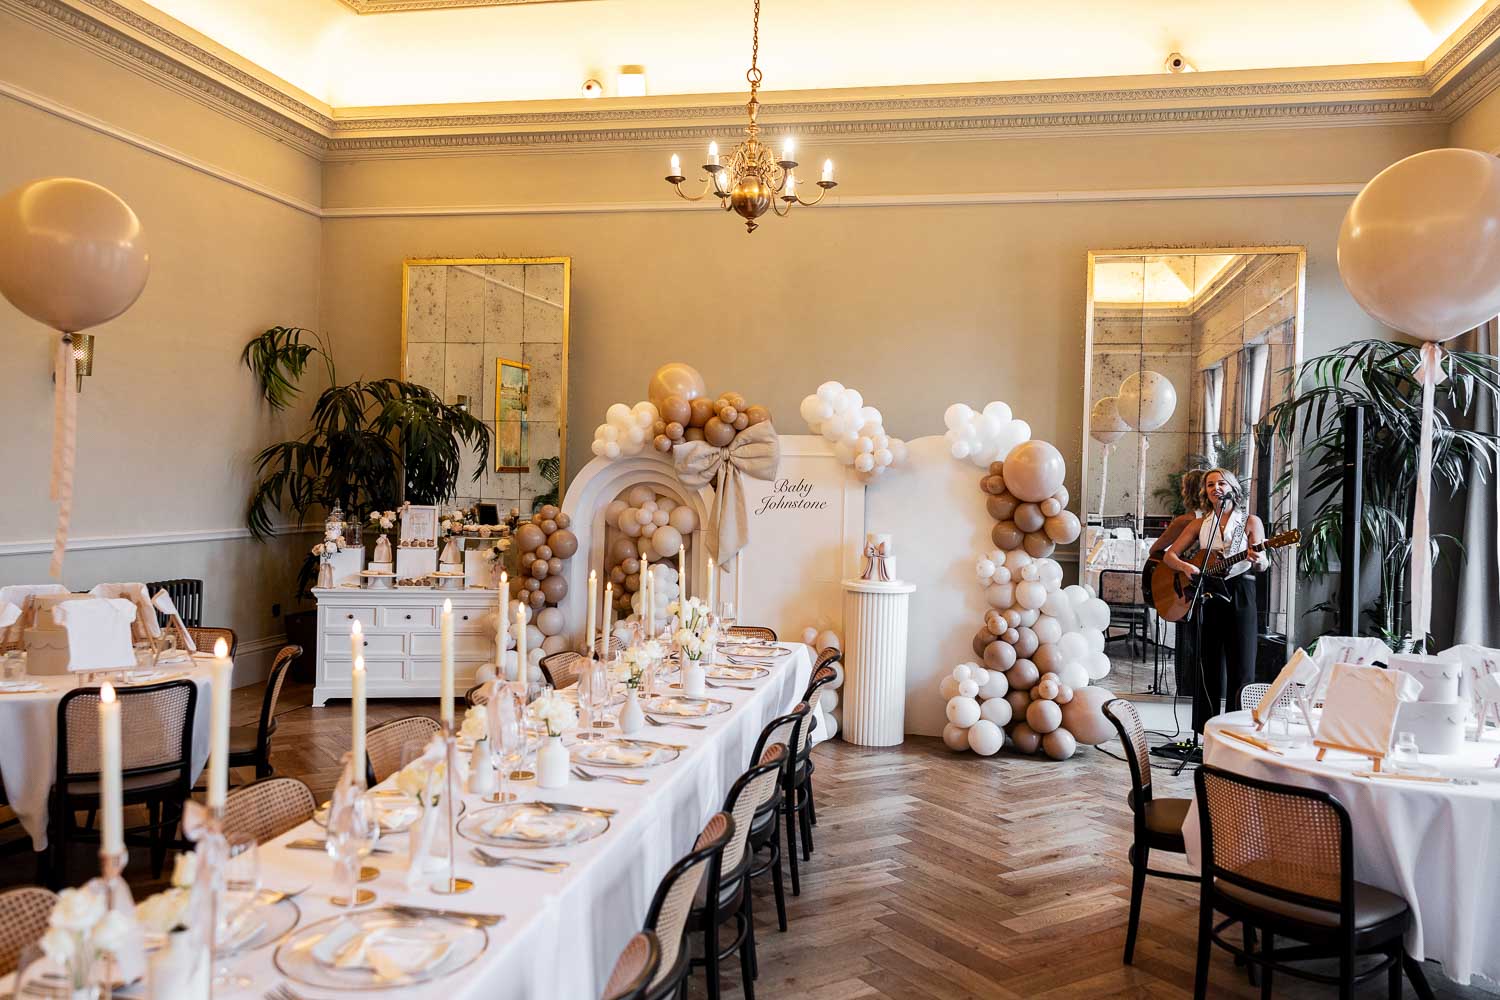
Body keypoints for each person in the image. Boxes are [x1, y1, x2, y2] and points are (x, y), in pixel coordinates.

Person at [1162, 468, 1268, 732]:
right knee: (1207, 664)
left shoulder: (1250, 521)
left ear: (1232, 488)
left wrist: (1259, 559)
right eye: (1210, 485)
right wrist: (1186, 568)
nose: (1215, 488)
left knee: (1241, 665)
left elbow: (1263, 563)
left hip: (1241, 590)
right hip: (1207, 592)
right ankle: (1205, 731)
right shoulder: (1200, 524)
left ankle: (1237, 730)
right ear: (1205, 492)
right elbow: (1169, 555)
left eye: (1221, 483)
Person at [1149, 469, 1207, 699]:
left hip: (1186, 590)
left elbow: (1156, 550)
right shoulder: (1211, 522)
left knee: (1189, 643)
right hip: (1191, 583)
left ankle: (1187, 691)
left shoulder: (1186, 520)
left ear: (1188, 491)